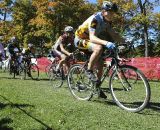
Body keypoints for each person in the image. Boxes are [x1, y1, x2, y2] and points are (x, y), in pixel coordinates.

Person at [74, 1, 128, 98]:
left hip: (89, 40)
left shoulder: (107, 22)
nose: (112, 15)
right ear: (103, 11)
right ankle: (89, 71)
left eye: (113, 13)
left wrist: (126, 42)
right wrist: (106, 43)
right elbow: (92, 38)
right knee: (99, 47)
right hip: (80, 39)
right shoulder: (95, 19)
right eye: (110, 12)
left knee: (100, 64)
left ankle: (97, 88)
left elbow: (114, 34)